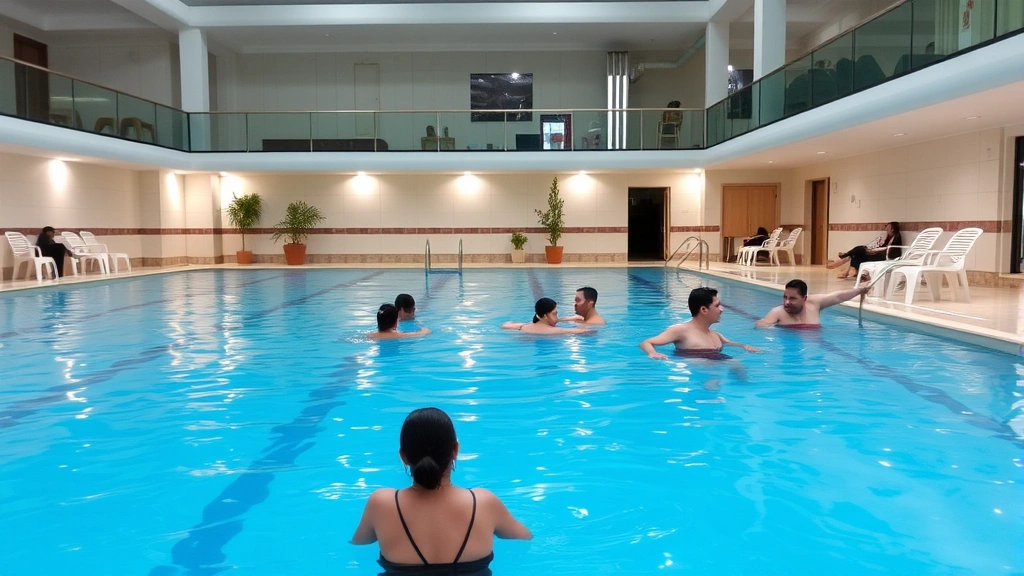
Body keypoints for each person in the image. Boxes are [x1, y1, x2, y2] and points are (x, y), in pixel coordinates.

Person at [351, 408, 532, 574]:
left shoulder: (381, 504)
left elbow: (358, 544)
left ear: (403, 456)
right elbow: (524, 538)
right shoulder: (484, 503)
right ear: (455, 450)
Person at [639, 287, 761, 359]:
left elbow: (730, 344)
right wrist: (653, 353)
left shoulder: (716, 335)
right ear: (704, 310)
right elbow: (646, 343)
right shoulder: (681, 331)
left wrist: (745, 347)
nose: (721, 309)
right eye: (717, 306)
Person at [755, 279, 869, 328]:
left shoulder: (814, 304)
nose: (787, 302)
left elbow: (838, 297)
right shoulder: (778, 312)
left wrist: (860, 290)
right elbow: (761, 325)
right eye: (785, 297)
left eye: (792, 298)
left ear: (804, 298)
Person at [827, 222, 902, 279]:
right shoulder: (886, 237)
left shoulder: (896, 238)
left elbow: (887, 249)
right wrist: (870, 249)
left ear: (892, 229)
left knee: (859, 250)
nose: (886, 229)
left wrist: (873, 251)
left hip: (882, 256)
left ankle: (845, 260)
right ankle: (848, 270)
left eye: (888, 227)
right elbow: (878, 244)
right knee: (857, 253)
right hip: (877, 253)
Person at [502, 298, 590, 335]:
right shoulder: (557, 331)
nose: (556, 316)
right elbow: (584, 331)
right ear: (545, 315)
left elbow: (505, 325)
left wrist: (571, 318)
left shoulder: (523, 326)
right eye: (554, 313)